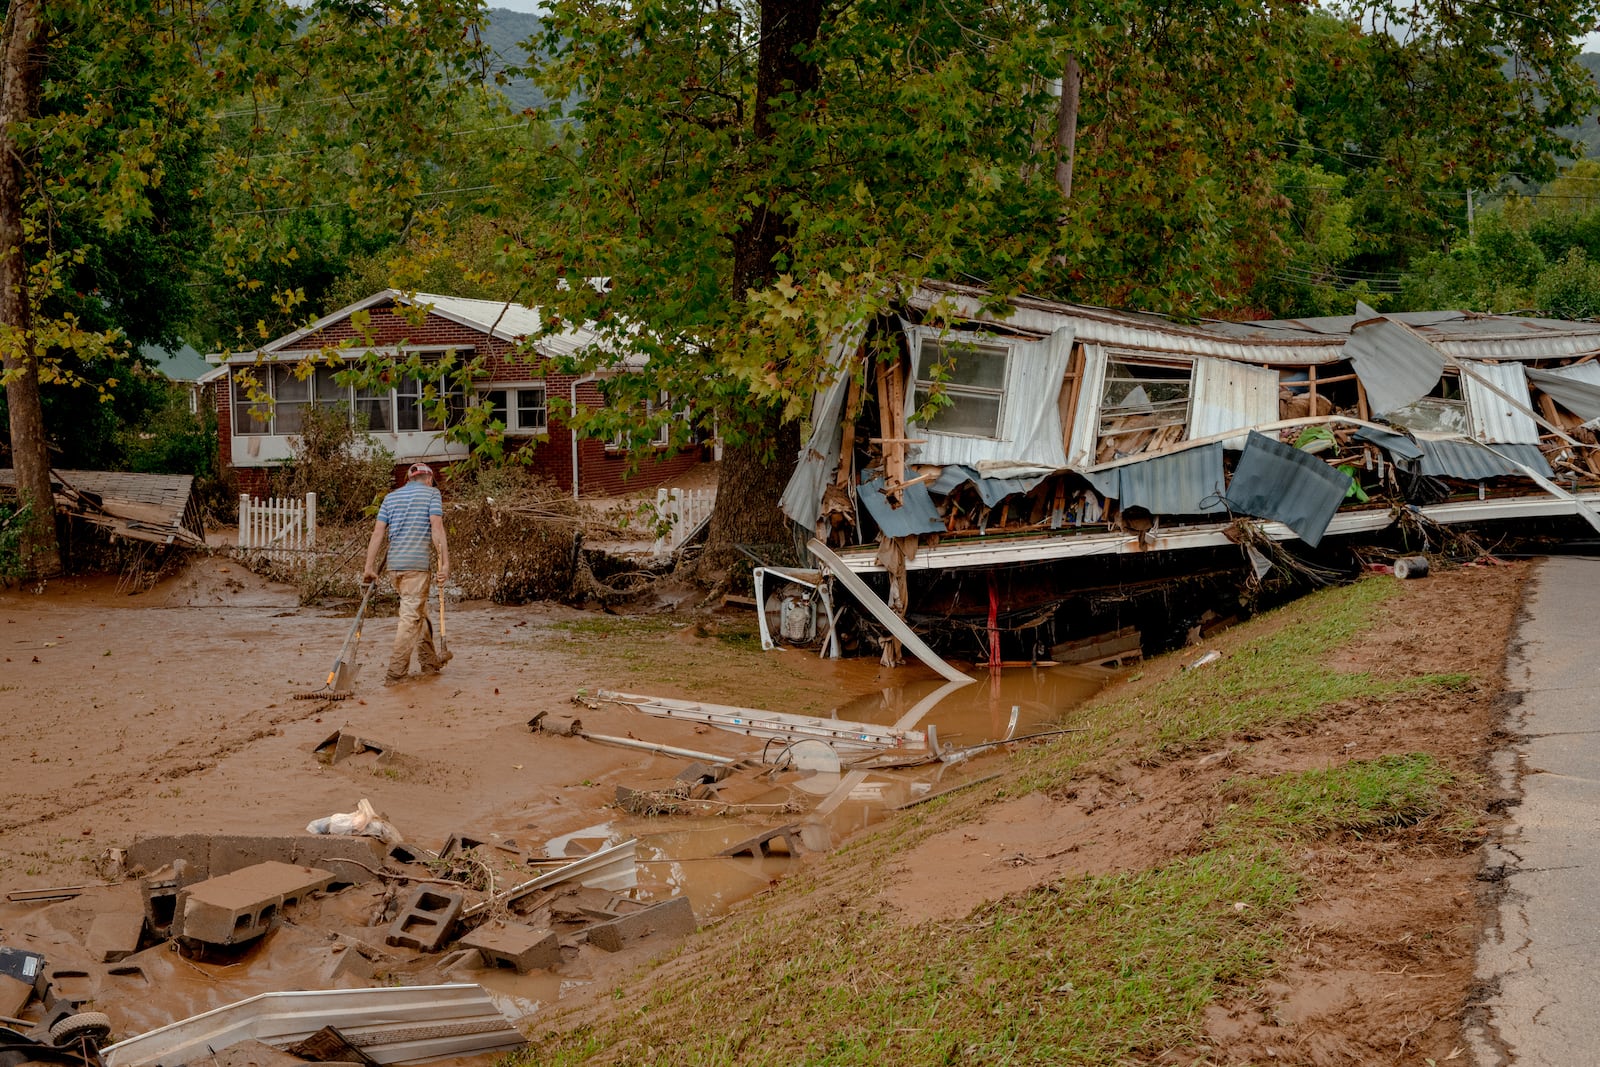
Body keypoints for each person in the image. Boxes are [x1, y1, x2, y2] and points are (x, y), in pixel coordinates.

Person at [363, 462, 450, 683]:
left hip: (395, 567)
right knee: (410, 618)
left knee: (418, 612)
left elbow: (377, 533)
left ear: (408, 480)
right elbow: (437, 528)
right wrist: (445, 564)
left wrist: (369, 567)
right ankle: (395, 674)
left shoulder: (391, 498)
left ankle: (429, 663)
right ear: (429, 479)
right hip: (416, 566)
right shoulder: (432, 494)